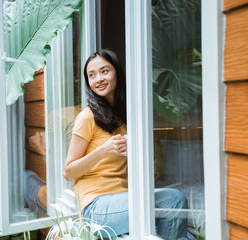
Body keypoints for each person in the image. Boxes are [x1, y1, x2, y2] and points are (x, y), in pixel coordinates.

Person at [63, 49, 188, 239]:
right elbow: (68, 172)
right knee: (173, 201)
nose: (98, 79)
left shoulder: (128, 115)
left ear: (117, 73)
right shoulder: (87, 117)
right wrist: (102, 151)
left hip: (124, 199)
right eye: (92, 75)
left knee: (176, 200)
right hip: (96, 205)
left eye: (105, 71)